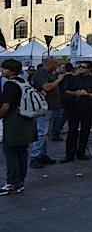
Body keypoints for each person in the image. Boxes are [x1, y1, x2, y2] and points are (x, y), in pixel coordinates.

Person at [0, 59, 38, 195]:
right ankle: (20, 182)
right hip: (27, 120)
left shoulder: (10, 84)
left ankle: (12, 183)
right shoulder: (24, 82)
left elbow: (6, 105)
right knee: (22, 151)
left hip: (14, 122)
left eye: (5, 68)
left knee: (10, 152)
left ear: (12, 71)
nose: (2, 70)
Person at [29, 56, 67, 168]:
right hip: (45, 107)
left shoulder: (49, 74)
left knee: (45, 133)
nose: (57, 66)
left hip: (52, 107)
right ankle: (34, 156)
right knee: (42, 132)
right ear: (50, 63)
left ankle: (42, 154)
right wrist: (59, 80)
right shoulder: (41, 73)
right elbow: (47, 87)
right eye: (56, 63)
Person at [61, 61, 92, 163]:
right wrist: (76, 93)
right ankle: (69, 154)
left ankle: (81, 152)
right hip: (73, 108)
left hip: (87, 108)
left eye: (83, 67)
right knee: (72, 131)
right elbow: (65, 91)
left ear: (89, 69)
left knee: (85, 130)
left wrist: (87, 94)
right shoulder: (73, 79)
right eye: (80, 67)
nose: (81, 69)